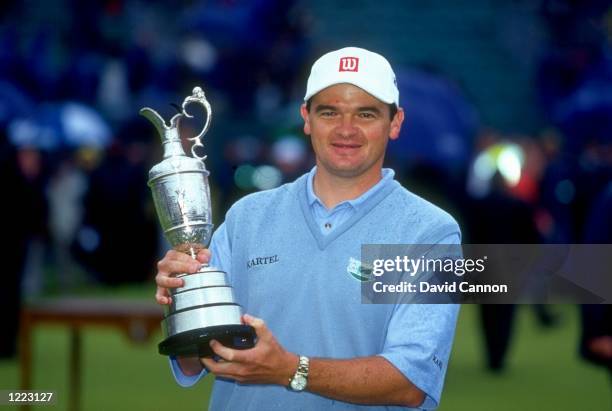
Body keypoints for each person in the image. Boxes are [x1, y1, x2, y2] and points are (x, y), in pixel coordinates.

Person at [155, 47, 461, 410]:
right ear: (306, 117)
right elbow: (195, 358)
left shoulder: (430, 233)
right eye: (329, 112)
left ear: (395, 123)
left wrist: (289, 369)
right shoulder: (247, 217)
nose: (346, 129)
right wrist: (182, 297)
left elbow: (409, 382)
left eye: (366, 114)